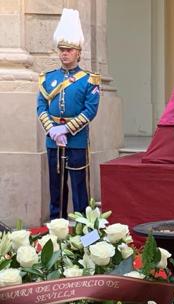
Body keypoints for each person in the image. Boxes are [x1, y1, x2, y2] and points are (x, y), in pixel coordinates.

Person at [37, 8, 101, 219]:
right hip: (53, 139)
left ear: (78, 53)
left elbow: (90, 110)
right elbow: (41, 106)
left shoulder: (88, 80)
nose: (64, 53)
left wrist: (66, 128)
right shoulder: (47, 78)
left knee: (78, 186)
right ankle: (57, 227)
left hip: (77, 140)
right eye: (62, 49)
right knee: (56, 187)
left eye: (69, 50)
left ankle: (83, 228)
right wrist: (53, 130)